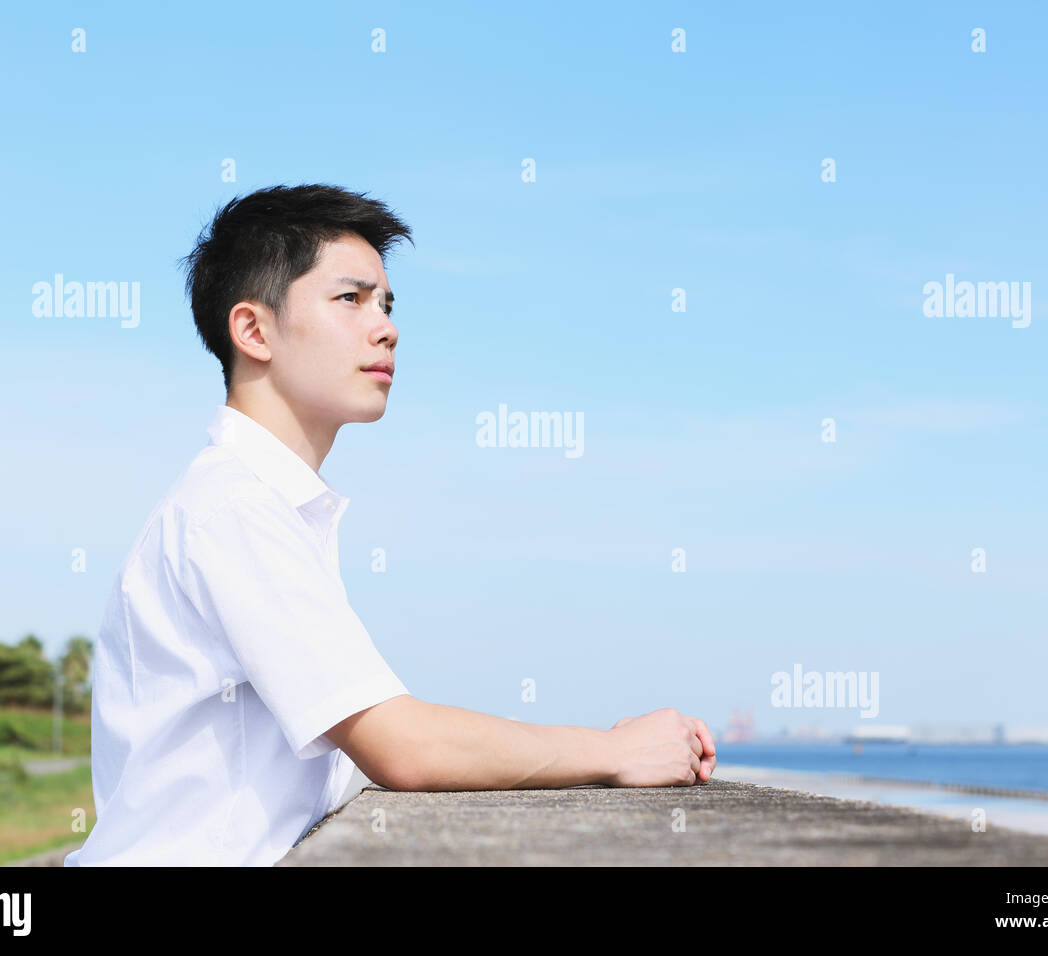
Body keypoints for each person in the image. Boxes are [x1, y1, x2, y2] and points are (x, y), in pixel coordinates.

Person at [65, 183, 716, 866]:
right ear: (253, 331)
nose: (386, 327)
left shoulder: (261, 504)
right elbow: (401, 745)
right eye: (350, 299)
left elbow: (348, 753)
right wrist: (613, 751)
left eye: (387, 302)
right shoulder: (233, 510)